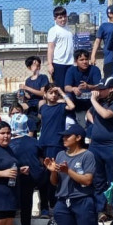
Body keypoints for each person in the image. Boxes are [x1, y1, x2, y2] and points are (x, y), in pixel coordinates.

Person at [38, 85, 76, 214]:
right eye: (51, 93)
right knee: (43, 177)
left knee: (54, 175)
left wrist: (61, 92)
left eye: (55, 93)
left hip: (56, 144)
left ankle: (53, 204)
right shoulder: (43, 108)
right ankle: (44, 206)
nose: (53, 95)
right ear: (46, 94)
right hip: (42, 145)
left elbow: (72, 106)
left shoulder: (61, 107)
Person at [9, 114, 46, 225]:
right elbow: (41, 160)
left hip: (11, 179)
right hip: (30, 179)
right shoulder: (34, 142)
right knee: (26, 207)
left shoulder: (8, 144)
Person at [88, 88, 113, 185]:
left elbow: (106, 114)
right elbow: (88, 113)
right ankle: (100, 200)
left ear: (111, 89)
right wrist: (96, 124)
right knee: (97, 179)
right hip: (95, 146)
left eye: (101, 89)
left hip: (111, 145)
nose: (98, 91)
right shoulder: (100, 102)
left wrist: (93, 100)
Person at [64, 49, 102, 118]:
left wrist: (88, 86)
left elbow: (100, 86)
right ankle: (70, 118)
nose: (84, 62)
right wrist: (73, 89)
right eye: (81, 60)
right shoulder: (71, 70)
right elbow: (66, 87)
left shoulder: (94, 69)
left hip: (92, 99)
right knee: (68, 95)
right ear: (76, 62)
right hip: (77, 100)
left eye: (86, 59)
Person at [91, 4, 113, 77]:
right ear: (110, 14)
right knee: (109, 82)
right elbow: (97, 41)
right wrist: (93, 56)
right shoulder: (104, 26)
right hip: (110, 59)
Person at [46, 7, 75, 86]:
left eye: (64, 17)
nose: (63, 19)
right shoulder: (53, 30)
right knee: (60, 87)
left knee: (69, 86)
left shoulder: (69, 30)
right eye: (60, 18)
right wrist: (49, 64)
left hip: (70, 63)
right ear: (55, 18)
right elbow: (50, 48)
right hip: (59, 64)